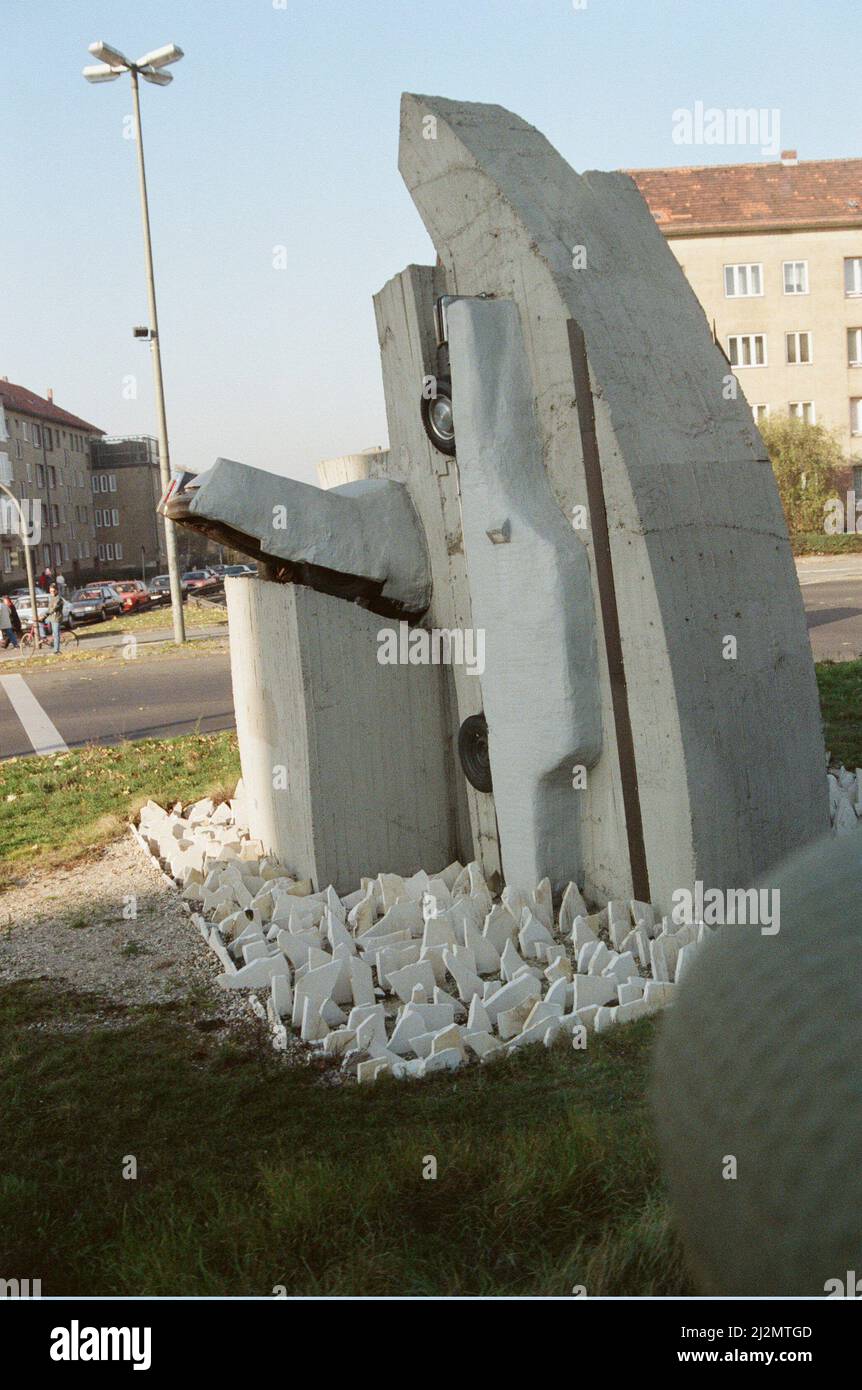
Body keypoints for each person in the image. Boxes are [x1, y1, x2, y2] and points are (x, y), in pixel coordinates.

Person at [45, 583, 64, 654]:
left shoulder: (58, 599)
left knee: (56, 634)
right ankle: (44, 638)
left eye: (53, 591)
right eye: (50, 591)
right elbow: (49, 608)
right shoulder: (51, 598)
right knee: (40, 624)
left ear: (57, 591)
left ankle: (57, 650)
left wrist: (45, 614)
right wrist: (42, 616)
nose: (52, 593)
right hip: (51, 618)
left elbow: (53, 609)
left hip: (56, 618)